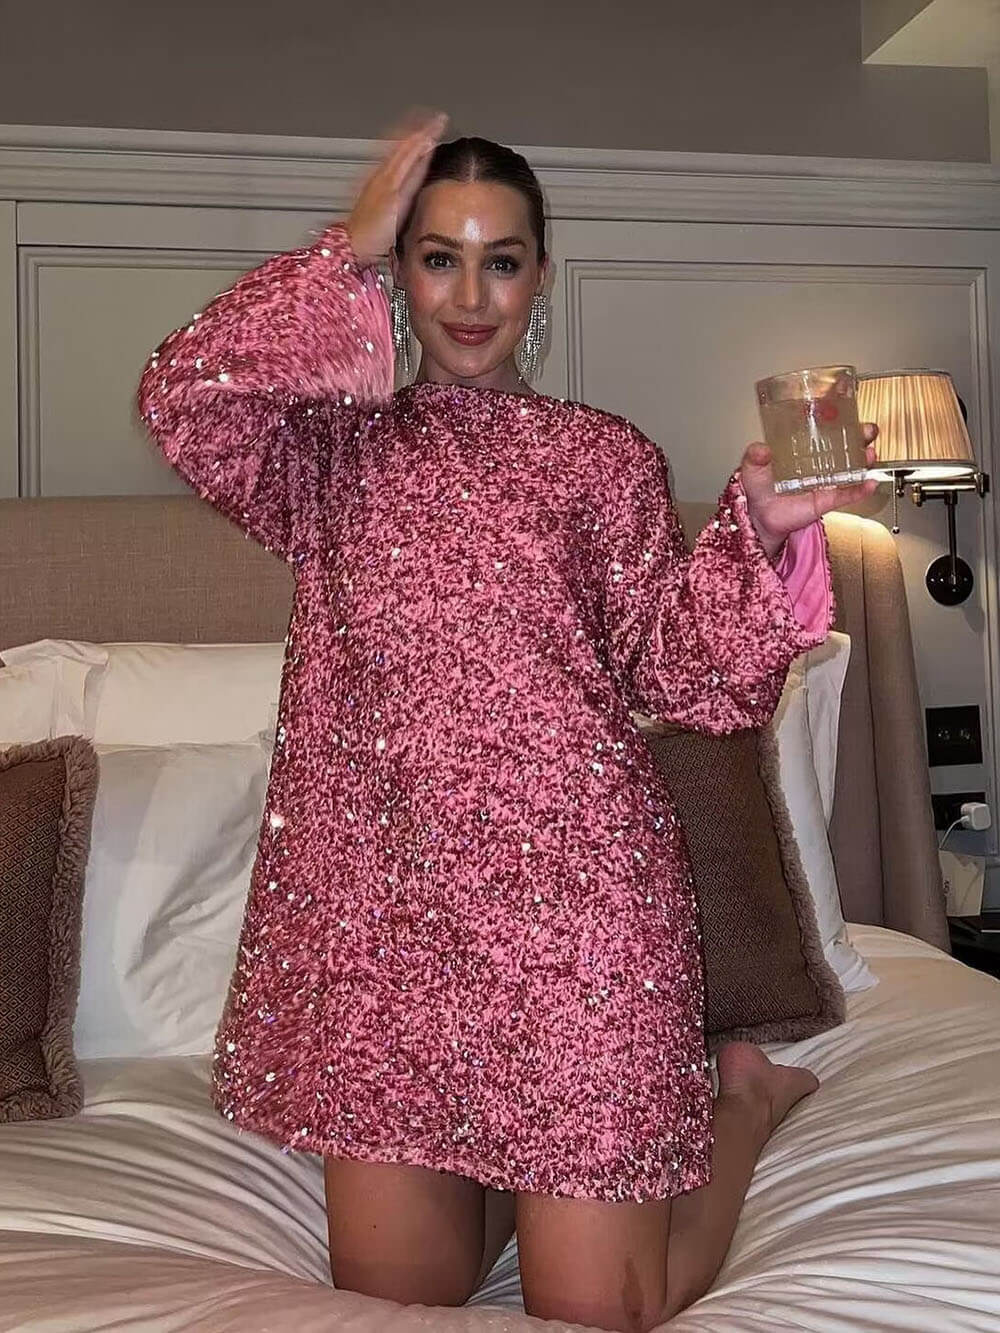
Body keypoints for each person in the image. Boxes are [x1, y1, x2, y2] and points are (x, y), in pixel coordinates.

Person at [138, 112, 878, 1333]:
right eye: (438, 258)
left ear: (541, 275)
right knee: (400, 1300)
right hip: (385, 936)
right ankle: (509, 1163)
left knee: (597, 1309)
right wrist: (341, 248)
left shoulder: (604, 461)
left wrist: (762, 529)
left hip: (580, 922)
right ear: (399, 271)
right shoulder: (328, 460)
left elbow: (686, 677)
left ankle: (740, 1104)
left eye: (501, 260)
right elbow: (185, 397)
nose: (470, 296)